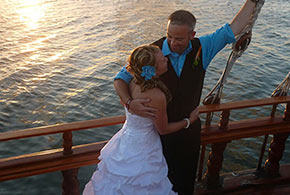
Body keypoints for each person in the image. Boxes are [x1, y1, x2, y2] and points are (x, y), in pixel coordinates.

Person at [113, 1, 259, 194]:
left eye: (180, 39)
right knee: (158, 184)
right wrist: (129, 103)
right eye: (169, 36)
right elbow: (120, 79)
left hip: (189, 132)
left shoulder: (203, 47)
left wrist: (252, 2)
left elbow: (233, 28)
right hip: (157, 134)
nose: (173, 43)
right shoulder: (151, 53)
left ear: (192, 35)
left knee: (185, 182)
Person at [83, 45, 200, 195]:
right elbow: (163, 129)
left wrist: (128, 102)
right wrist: (188, 121)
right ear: (152, 69)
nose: (166, 59)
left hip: (126, 141)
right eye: (162, 60)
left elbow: (119, 82)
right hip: (145, 147)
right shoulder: (157, 96)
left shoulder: (132, 82)